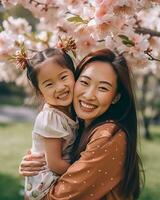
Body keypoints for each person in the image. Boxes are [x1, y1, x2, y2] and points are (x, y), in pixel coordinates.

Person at [19, 49, 144, 200]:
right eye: (84, 82)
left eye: (103, 88)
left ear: (116, 97)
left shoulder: (108, 136)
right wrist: (35, 164)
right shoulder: (78, 124)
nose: (89, 95)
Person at [20, 47, 77, 200]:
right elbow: (55, 164)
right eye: (49, 84)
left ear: (74, 74)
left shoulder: (71, 110)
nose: (60, 87)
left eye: (63, 77)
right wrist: (82, 172)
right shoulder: (51, 118)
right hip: (46, 184)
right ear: (40, 92)